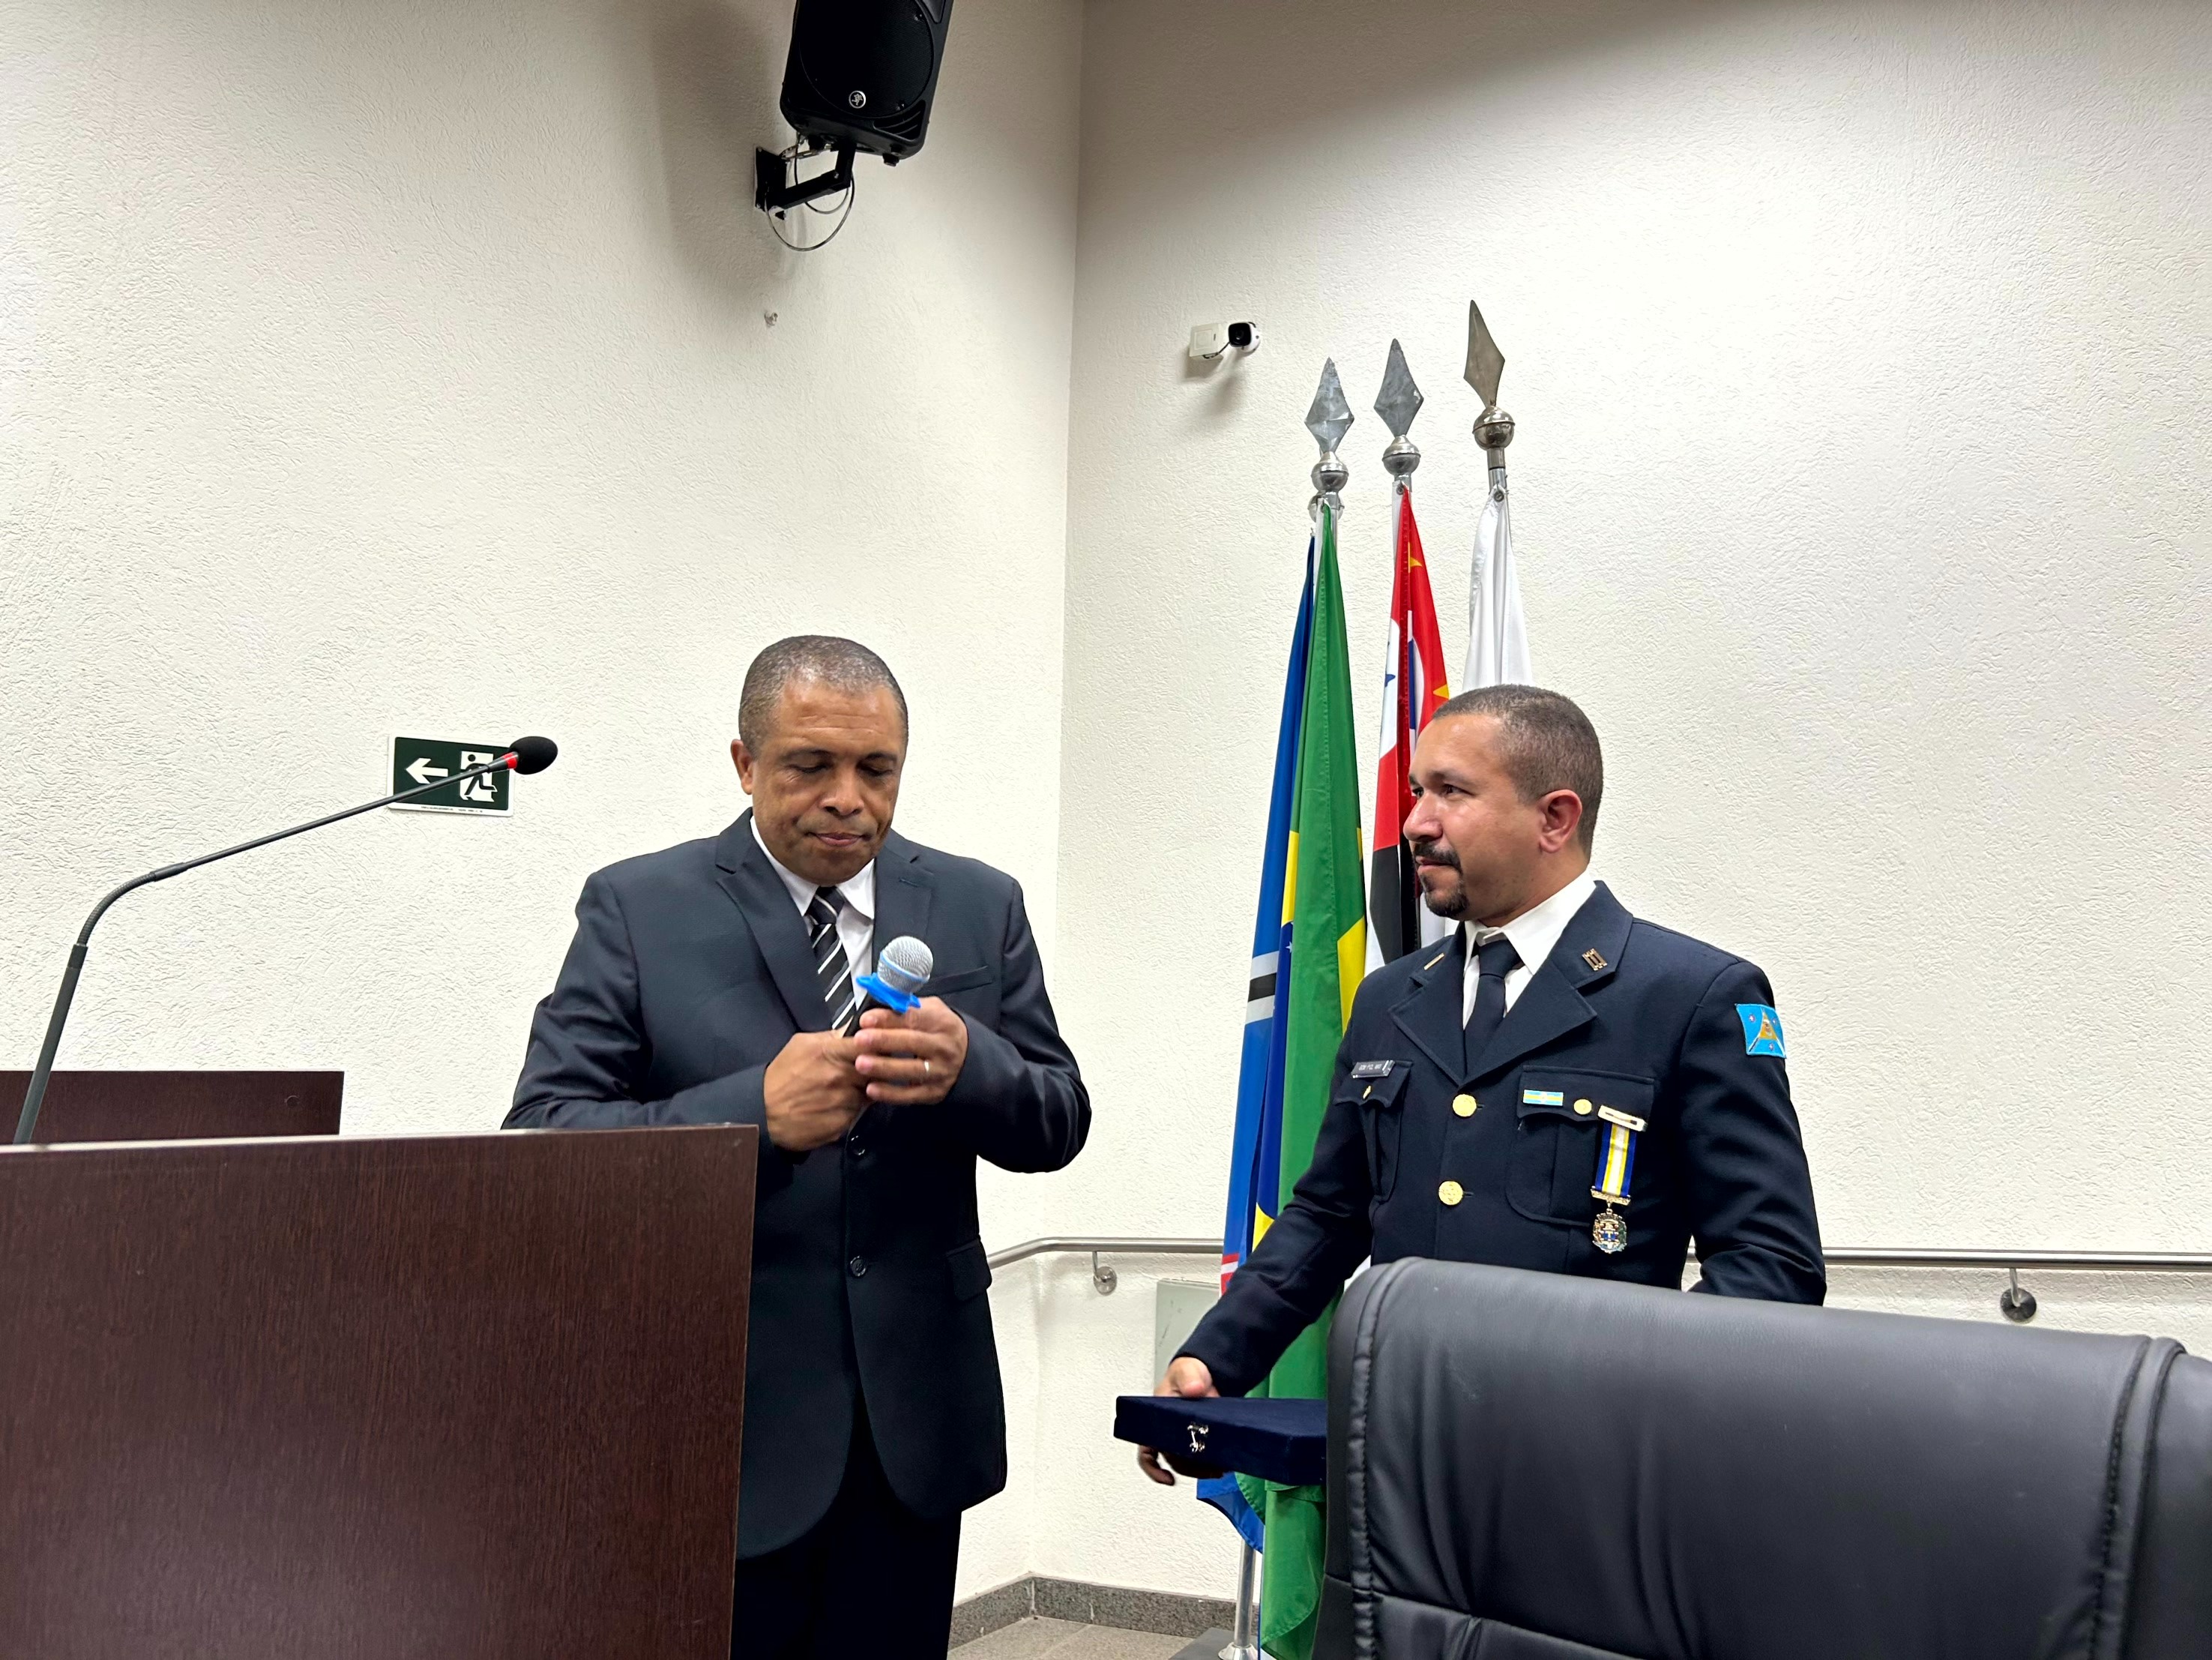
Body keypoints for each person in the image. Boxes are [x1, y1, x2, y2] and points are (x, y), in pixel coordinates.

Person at [508, 636, 1089, 1659]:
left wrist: (975, 1069)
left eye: (876, 770)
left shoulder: (978, 902)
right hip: (720, 1420)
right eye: (809, 765)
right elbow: (544, 1142)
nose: (846, 799)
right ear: (744, 763)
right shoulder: (639, 907)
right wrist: (751, 1117)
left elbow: (1058, 1118)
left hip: (915, 1422)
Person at [1142, 685, 1821, 1478]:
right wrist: (1214, 1356)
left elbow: (1768, 1264)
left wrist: (1636, 1409)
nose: (1414, 823)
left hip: (1585, 1469)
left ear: (1554, 818)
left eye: (1451, 792)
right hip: (1389, 1452)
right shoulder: (1391, 997)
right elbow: (1329, 1214)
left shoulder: (1687, 995)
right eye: (1416, 792)